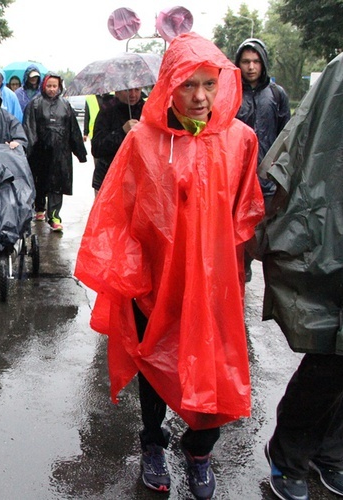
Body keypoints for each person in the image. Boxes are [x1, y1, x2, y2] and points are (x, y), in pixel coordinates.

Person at [74, 32, 264, 499]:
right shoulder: (143, 142)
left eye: (209, 83)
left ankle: (200, 451)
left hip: (214, 284)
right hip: (154, 285)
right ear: (169, 87)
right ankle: (153, 442)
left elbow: (245, 212)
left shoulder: (240, 140)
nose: (200, 97)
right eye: (187, 85)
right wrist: (136, 271)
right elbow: (116, 213)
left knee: (213, 367)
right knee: (154, 366)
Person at [255, 53, 343, 500]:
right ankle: (289, 453)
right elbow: (301, 143)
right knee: (330, 355)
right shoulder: (341, 71)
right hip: (336, 226)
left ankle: (334, 452)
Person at [234, 38, 291, 281]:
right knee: (239, 233)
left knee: (267, 236)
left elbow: (287, 134)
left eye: (256, 61)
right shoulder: (232, 92)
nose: (251, 67)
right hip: (237, 178)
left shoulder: (277, 95)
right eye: (246, 61)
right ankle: (241, 273)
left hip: (267, 180)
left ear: (263, 63)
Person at [22, 72, 87, 232]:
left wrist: (80, 153)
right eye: (49, 86)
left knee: (57, 185)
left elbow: (73, 130)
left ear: (59, 87)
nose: (52, 89)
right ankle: (39, 208)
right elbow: (29, 128)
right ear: (44, 86)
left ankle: (55, 216)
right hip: (39, 153)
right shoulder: (35, 105)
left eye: (54, 86)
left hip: (60, 154)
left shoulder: (65, 105)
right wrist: (26, 151)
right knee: (39, 182)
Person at [90, 88, 145, 192]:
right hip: (109, 179)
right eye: (128, 90)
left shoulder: (147, 109)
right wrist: (122, 131)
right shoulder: (107, 110)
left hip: (139, 179)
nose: (133, 94)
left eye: (137, 90)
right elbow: (97, 148)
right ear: (117, 92)